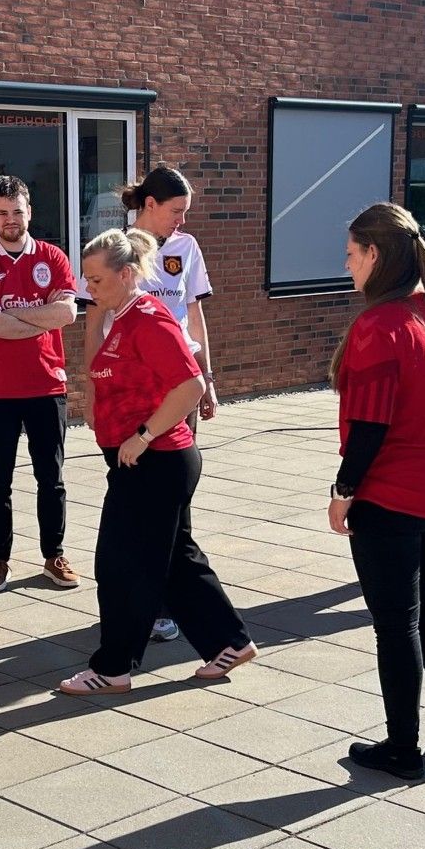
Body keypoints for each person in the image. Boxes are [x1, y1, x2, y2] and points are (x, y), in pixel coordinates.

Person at [58, 227, 255, 695]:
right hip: (144, 461)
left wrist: (143, 436)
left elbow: (190, 385)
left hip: (157, 461)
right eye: (86, 280)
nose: (89, 289)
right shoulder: (119, 317)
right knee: (175, 560)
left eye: (97, 280)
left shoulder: (149, 318)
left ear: (127, 275)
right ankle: (230, 641)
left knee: (122, 563)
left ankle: (113, 667)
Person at [328, 204, 425, 781]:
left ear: (375, 255)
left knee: (396, 623)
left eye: (350, 254)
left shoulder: (380, 327)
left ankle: (401, 747)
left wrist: (344, 491)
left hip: (395, 493)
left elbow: (369, 427)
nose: (346, 267)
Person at [82, 164, 221, 644]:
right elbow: (94, 323)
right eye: (176, 211)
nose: (181, 220)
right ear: (149, 206)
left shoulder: (186, 248)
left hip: (178, 384)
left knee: (172, 503)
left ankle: (168, 605)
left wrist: (207, 377)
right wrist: (93, 386)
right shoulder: (112, 252)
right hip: (130, 390)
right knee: (139, 504)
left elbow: (195, 314)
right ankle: (155, 607)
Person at [0, 175, 80, 594]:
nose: (10, 219)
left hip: (47, 385)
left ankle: (54, 554)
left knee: (52, 477)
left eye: (17, 211)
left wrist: (20, 317)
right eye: (2, 213)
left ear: (29, 211)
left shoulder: (53, 256)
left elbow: (67, 314)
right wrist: (40, 312)